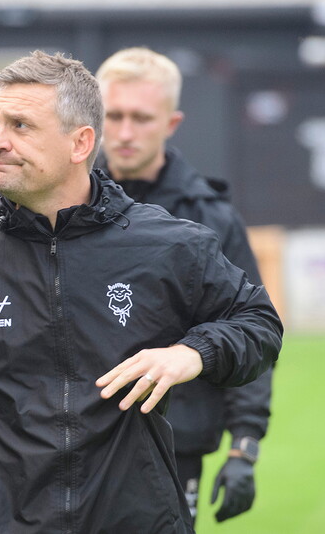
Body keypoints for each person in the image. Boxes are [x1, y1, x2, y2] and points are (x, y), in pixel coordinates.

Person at [0, 50, 283, 534]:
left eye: (20, 126)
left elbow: (259, 323)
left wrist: (192, 354)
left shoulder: (168, 243)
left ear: (80, 143)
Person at [95, 46, 275, 525]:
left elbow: (250, 328)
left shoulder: (211, 218)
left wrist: (244, 447)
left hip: (176, 439)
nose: (126, 132)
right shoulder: (64, 208)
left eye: (142, 117)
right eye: (114, 115)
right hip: (81, 439)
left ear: (171, 124)